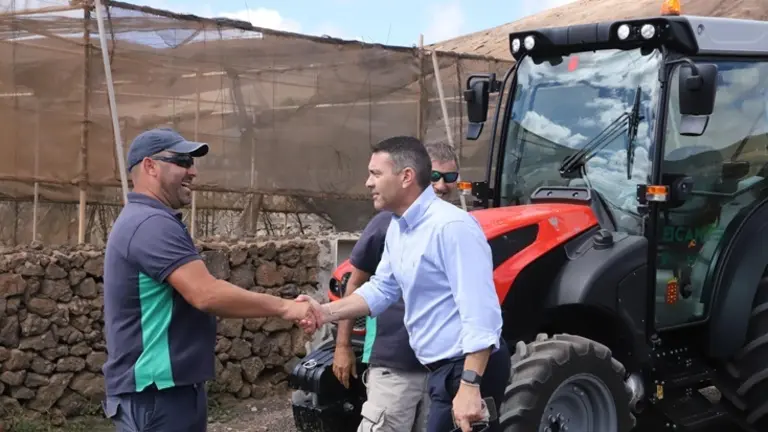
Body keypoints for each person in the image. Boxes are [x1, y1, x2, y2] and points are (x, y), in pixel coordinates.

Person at [101, 127, 315, 431]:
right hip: (157, 395)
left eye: (193, 163)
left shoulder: (145, 219)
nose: (193, 171)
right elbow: (205, 293)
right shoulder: (150, 224)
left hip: (164, 393)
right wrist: (286, 307)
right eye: (183, 162)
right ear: (150, 166)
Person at [297, 136, 510, 432]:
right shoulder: (400, 227)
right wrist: (323, 312)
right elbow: (381, 289)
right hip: (441, 369)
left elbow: (482, 313)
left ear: (406, 176)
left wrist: (470, 385)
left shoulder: (452, 227)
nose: (368, 183)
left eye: (376, 173)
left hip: (467, 368)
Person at [333, 141, 461, 432]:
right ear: (414, 176)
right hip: (395, 365)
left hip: (442, 369)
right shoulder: (387, 225)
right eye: (435, 177)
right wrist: (342, 345)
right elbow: (356, 284)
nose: (442, 186)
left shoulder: (456, 227)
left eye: (450, 177)